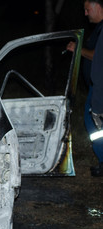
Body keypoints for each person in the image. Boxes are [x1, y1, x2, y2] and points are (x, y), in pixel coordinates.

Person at [66, 0, 103, 177]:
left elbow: (98, 56)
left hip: (99, 87)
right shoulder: (99, 29)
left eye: (88, 10)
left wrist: (78, 49)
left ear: (97, 7)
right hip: (95, 86)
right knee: (95, 124)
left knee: (95, 124)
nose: (86, 13)